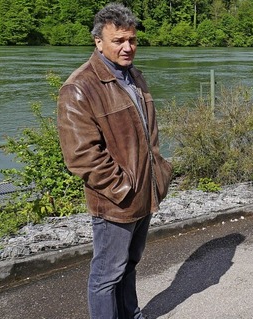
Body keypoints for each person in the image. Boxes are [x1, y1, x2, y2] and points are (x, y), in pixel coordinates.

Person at [56, 3, 173, 319]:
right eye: (118, 41)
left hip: (144, 192)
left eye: (132, 40)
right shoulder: (79, 88)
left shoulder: (134, 75)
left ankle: (130, 314)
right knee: (107, 275)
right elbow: (82, 157)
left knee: (130, 263)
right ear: (98, 42)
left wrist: (158, 174)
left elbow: (147, 135)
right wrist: (124, 188)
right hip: (115, 200)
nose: (127, 47)